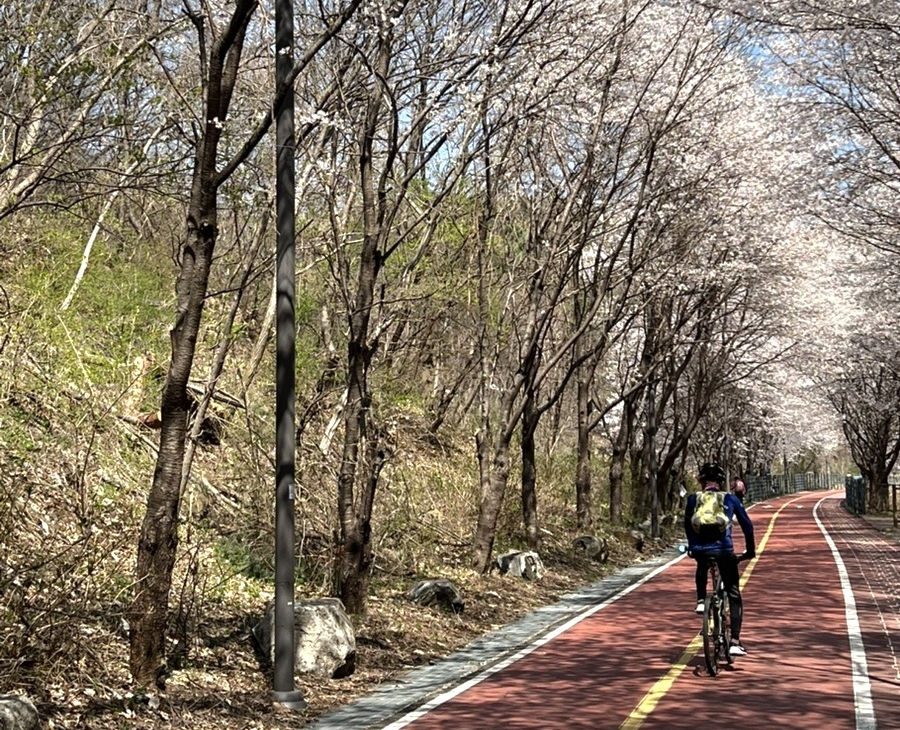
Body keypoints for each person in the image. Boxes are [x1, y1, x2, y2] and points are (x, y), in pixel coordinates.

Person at [684, 462, 755, 657]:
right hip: (724, 550)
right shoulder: (730, 499)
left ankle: (700, 600)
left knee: (701, 563)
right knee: (733, 593)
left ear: (701, 481)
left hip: (701, 550)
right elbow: (748, 526)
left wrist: (693, 547)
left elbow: (688, 526)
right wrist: (750, 551)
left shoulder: (693, 499)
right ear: (721, 482)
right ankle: (734, 641)